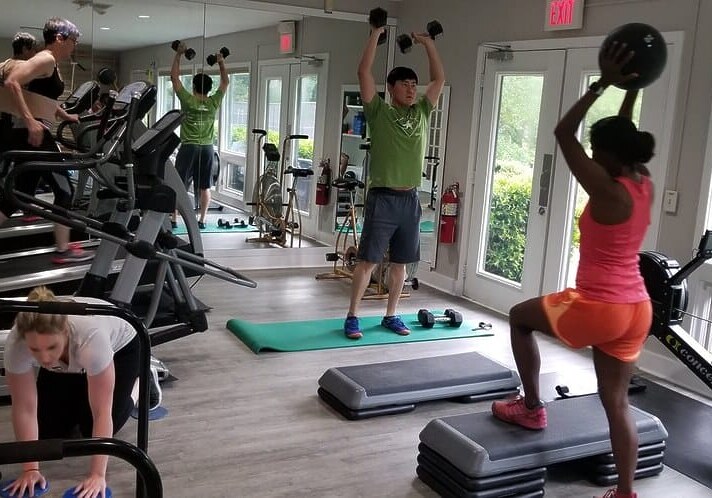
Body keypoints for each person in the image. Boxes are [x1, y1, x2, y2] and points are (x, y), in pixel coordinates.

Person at [490, 42, 655, 498]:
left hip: (598, 305)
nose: (592, 156)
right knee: (616, 403)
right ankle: (624, 492)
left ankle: (531, 406)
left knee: (520, 317)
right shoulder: (641, 181)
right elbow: (624, 134)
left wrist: (602, 82)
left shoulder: (606, 189)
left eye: (597, 151)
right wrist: (630, 89)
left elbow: (564, 133)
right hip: (636, 310)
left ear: (607, 158)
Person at [343, 26, 445, 339]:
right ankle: (352, 316)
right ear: (391, 88)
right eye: (405, 84)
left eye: (415, 85)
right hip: (383, 198)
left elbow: (439, 79)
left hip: (410, 199)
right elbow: (363, 71)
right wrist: (375, 34)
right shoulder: (379, 113)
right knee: (369, 261)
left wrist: (427, 44)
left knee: (401, 264)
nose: (412, 90)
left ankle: (391, 314)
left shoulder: (423, 112)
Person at [2, 286, 142, 498]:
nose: (44, 358)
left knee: (92, 426)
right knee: (48, 432)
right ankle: (81, 380)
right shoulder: (17, 343)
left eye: (50, 347)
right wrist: (30, 469)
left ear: (65, 332)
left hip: (121, 345)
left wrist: (97, 475)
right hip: (71, 360)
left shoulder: (91, 338)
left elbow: (101, 413)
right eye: (35, 350)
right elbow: (24, 408)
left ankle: (139, 383)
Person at [0, 17, 93, 264]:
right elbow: (12, 82)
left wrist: (67, 115)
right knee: (64, 189)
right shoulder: (46, 59)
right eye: (73, 41)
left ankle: (63, 247)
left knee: (17, 196)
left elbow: (42, 98)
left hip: (30, 133)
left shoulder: (49, 62)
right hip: (33, 132)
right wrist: (31, 121)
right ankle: (63, 249)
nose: (75, 46)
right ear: (60, 38)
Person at [170, 43, 228, 230]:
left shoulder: (188, 100)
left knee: (179, 184)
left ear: (194, 86)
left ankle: (174, 217)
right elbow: (225, 82)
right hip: (207, 148)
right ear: (209, 88)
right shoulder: (213, 102)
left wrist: (179, 55)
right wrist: (220, 62)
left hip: (189, 147)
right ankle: (202, 220)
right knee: (205, 186)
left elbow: (174, 78)